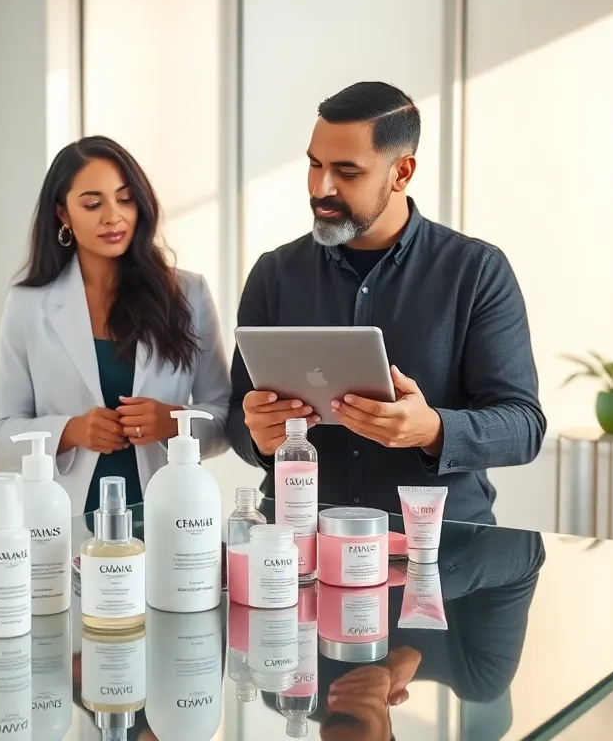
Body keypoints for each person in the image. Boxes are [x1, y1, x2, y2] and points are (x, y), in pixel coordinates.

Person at [227, 81, 545, 524]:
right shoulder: (273, 274)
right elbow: (236, 416)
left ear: (402, 172)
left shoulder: (476, 271)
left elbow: (524, 427)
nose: (320, 187)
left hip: (442, 542)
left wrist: (433, 430)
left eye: (347, 172)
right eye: (315, 164)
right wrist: (258, 438)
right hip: (298, 540)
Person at [0, 136, 231, 514]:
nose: (113, 216)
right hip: (65, 520)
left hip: (170, 515)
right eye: (92, 204)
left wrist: (174, 422)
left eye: (125, 199)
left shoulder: (188, 292)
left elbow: (225, 418)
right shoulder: (28, 304)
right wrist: (70, 431)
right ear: (63, 214)